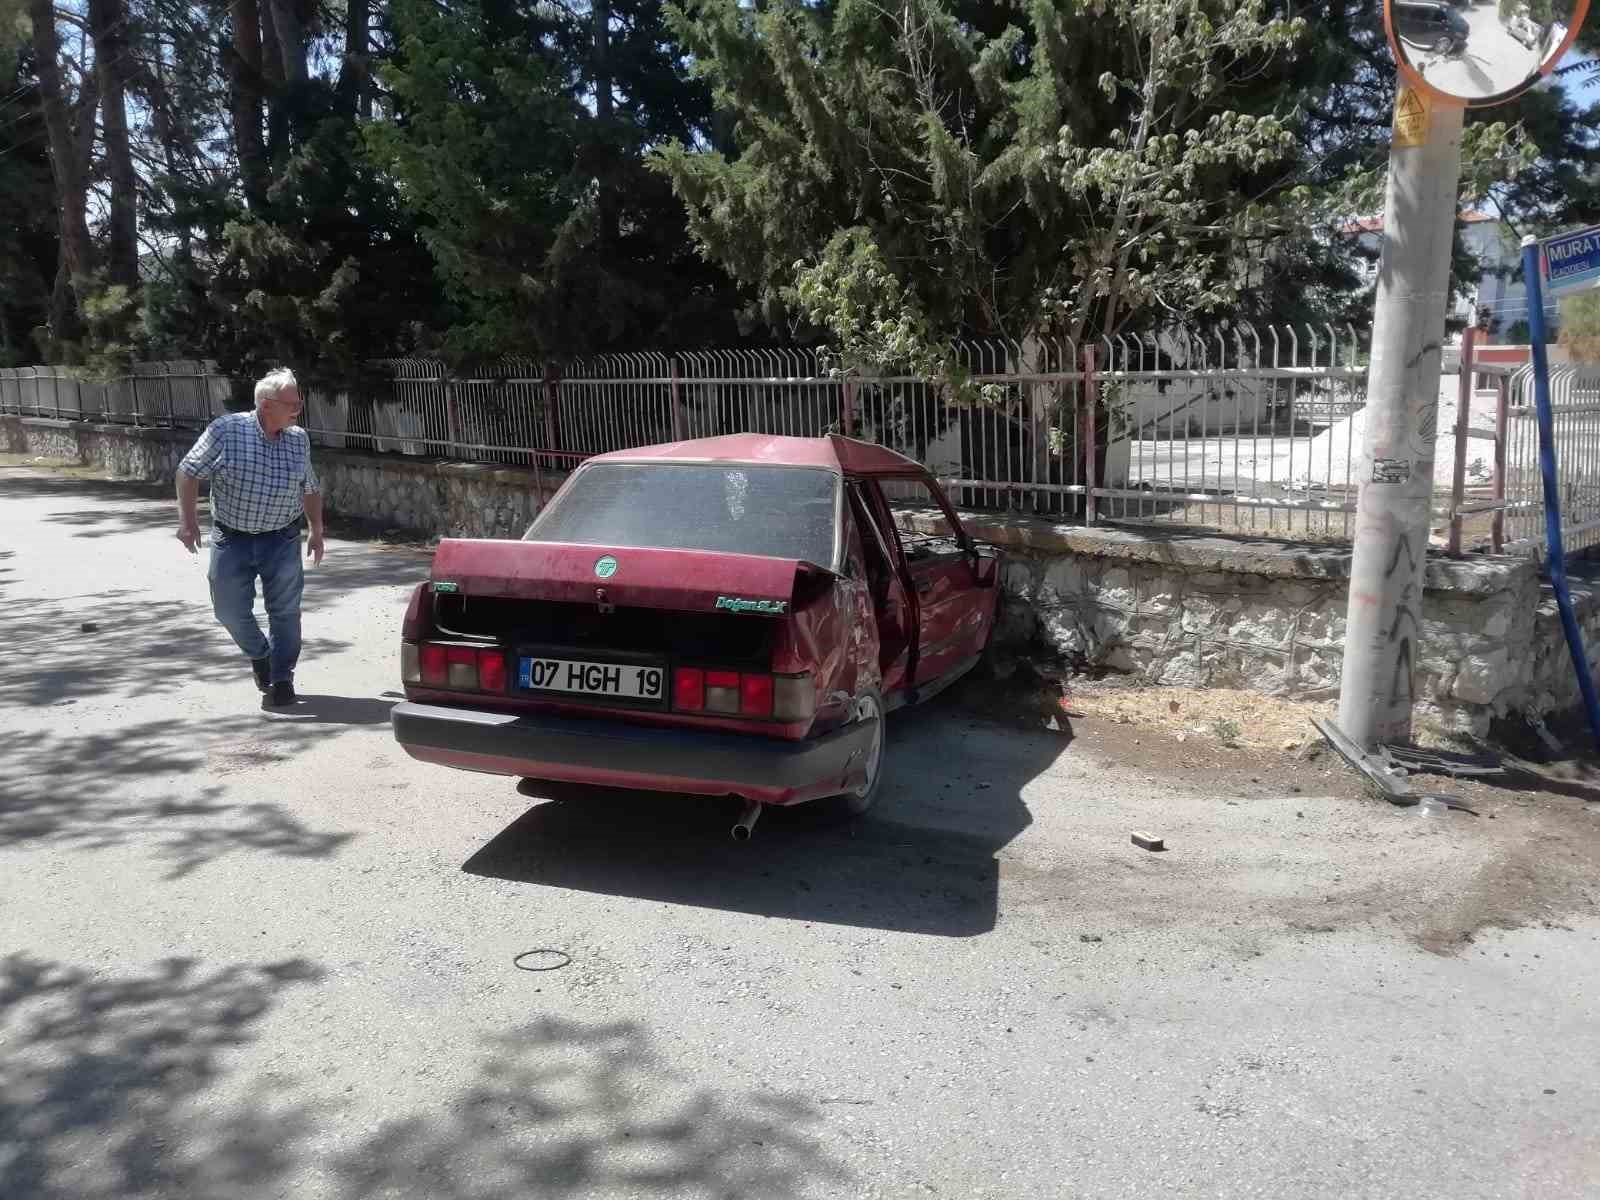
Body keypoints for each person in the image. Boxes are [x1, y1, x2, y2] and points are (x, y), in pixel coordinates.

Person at [175, 368, 326, 708]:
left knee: (285, 612)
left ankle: (282, 676)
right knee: (228, 610)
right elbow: (188, 471)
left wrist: (316, 529)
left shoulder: (298, 438)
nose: (298, 410)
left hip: (282, 538)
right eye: (293, 404)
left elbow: (310, 487)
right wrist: (187, 521)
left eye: (299, 404)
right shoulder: (227, 430)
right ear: (267, 404)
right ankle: (261, 655)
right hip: (233, 538)